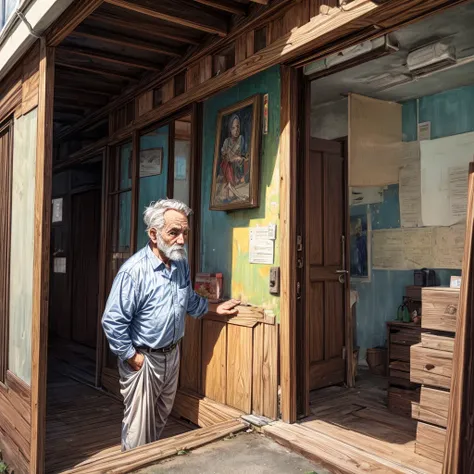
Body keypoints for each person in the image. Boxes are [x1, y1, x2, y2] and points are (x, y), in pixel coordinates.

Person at [102, 199, 240, 451]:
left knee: (158, 419)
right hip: (144, 358)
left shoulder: (180, 264)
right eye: (174, 232)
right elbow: (113, 320)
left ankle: (149, 463)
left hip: (172, 355)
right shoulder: (133, 272)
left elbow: (186, 299)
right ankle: (133, 466)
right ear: (154, 234)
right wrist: (132, 357)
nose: (181, 240)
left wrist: (214, 308)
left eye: (184, 232)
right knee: (138, 429)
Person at [219, 114, 248, 201]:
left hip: (239, 165)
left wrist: (236, 158)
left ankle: (231, 186)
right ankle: (230, 186)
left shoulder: (241, 139)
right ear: (230, 129)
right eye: (233, 128)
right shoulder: (227, 141)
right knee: (226, 164)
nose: (236, 130)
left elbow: (243, 155)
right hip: (229, 164)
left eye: (237, 127)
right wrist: (227, 156)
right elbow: (223, 153)